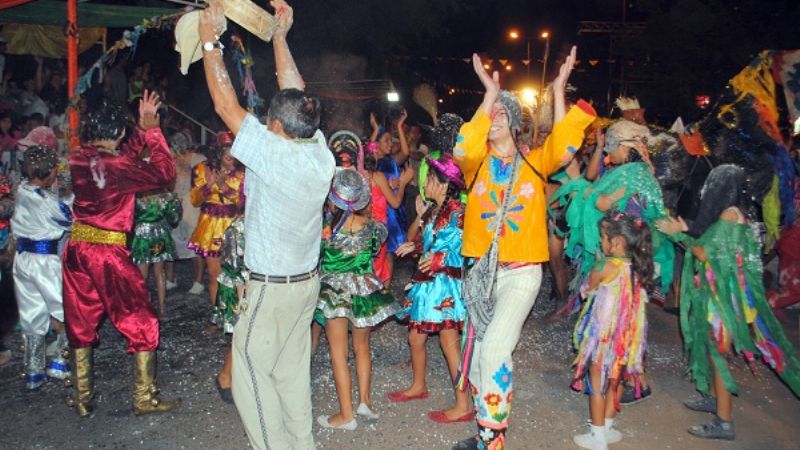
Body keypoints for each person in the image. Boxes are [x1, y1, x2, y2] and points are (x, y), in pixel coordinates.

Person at [199, 1, 336, 448]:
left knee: (251, 372)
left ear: (275, 126)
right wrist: (279, 37)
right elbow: (297, 91)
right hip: (305, 285)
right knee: (292, 373)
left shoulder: (272, 152)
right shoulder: (319, 148)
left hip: (272, 289)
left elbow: (224, 103)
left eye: (268, 121)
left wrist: (209, 41)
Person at [451, 46, 597, 450]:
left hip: (520, 274)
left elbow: (566, 142)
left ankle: (494, 442)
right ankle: (485, 433)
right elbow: (462, 145)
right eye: (492, 114)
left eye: (500, 114)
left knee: (496, 348)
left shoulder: (536, 162)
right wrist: (487, 95)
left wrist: (559, 88)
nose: (493, 119)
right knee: (480, 357)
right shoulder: (475, 164)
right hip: (481, 275)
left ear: (515, 125)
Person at [657, 165, 800, 441]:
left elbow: (703, 253)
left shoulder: (728, 214)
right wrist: (685, 226)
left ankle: (724, 421)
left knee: (718, 355)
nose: (707, 191)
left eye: (712, 186)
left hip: (725, 300)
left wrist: (675, 233)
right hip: (727, 294)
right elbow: (713, 239)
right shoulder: (738, 213)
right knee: (714, 352)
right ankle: (714, 399)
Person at [62, 90, 179, 417]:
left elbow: (115, 154)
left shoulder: (78, 156)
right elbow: (164, 174)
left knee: (80, 320)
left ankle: (82, 397)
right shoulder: (121, 164)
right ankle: (145, 398)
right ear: (119, 133)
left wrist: (139, 131)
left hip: (77, 249)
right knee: (140, 318)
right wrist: (153, 132)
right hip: (107, 252)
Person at [390, 153, 473, 423]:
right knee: (415, 338)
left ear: (440, 184)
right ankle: (418, 386)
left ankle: (463, 404)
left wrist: (438, 259)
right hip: (427, 285)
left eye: (427, 178)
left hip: (444, 287)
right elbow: (429, 243)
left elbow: (467, 251)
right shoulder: (434, 211)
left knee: (449, 343)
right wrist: (414, 247)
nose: (423, 182)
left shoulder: (458, 213)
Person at [315, 168, 399, 430]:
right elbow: (374, 254)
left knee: (338, 355)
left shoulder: (325, 230)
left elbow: (316, 257)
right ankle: (364, 402)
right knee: (362, 347)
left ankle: (346, 415)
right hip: (363, 290)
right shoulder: (374, 228)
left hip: (334, 294)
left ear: (334, 198)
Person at [571, 210, 652, 449]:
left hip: (604, 339)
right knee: (615, 381)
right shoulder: (640, 267)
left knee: (596, 384)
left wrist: (596, 265)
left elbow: (587, 289)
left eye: (603, 237)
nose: (600, 241)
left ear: (616, 242)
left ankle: (597, 437)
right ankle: (607, 427)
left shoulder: (606, 267)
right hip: (627, 339)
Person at [12, 145, 73, 389]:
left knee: (31, 313)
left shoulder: (21, 189)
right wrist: (70, 194)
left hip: (22, 259)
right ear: (50, 173)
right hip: (44, 261)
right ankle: (61, 361)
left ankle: (34, 371)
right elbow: (68, 218)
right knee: (66, 309)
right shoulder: (46, 200)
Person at [187, 132, 245, 313]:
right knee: (214, 273)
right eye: (228, 156)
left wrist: (225, 188)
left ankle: (237, 316)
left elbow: (245, 203)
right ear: (219, 153)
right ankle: (217, 315)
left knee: (236, 274)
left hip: (233, 225)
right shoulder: (203, 169)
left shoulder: (243, 173)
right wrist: (208, 186)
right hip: (209, 225)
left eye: (235, 155)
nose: (231, 160)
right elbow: (194, 201)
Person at [368, 110, 414, 283]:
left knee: (390, 252)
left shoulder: (391, 161)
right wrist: (375, 129)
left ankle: (385, 287)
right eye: (386, 140)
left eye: (390, 139)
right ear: (377, 144)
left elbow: (405, 152)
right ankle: (380, 286)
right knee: (380, 253)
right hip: (382, 210)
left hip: (394, 211)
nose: (390, 143)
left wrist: (400, 127)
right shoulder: (372, 163)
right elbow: (367, 150)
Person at [211, 215, 246, 404]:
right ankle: (225, 375)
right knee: (243, 334)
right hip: (240, 286)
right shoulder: (240, 226)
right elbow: (233, 267)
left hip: (259, 285)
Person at [130, 188, 182, 316]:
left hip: (142, 236)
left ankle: (144, 305)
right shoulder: (165, 196)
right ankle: (162, 305)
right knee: (160, 272)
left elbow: (128, 218)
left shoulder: (135, 196)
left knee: (142, 276)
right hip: (159, 234)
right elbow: (174, 217)